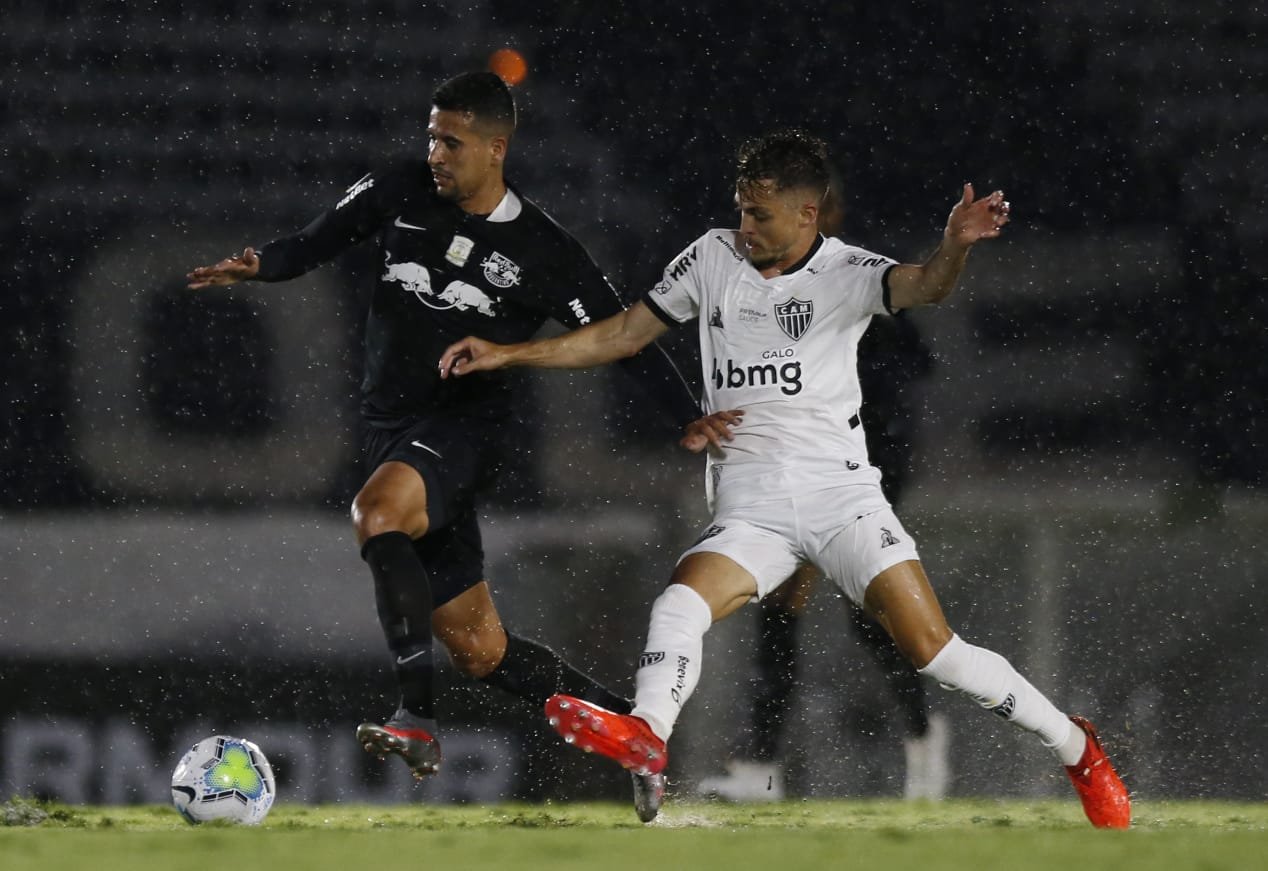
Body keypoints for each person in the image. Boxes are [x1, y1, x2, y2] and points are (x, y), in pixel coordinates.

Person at [438, 129, 1131, 828]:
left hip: (843, 497)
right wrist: (508, 354)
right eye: (741, 210)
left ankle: (1077, 747)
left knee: (933, 651)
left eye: (760, 216)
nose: (745, 227)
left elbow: (925, 285)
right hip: (753, 507)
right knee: (680, 602)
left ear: (807, 213)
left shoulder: (848, 271)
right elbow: (621, 334)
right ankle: (646, 732)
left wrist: (954, 244)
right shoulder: (709, 258)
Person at [186, 71, 702, 820]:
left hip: (462, 432)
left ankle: (416, 719)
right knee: (481, 649)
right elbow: (314, 242)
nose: (435, 152)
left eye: (451, 141)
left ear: (498, 147)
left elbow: (622, 336)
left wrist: (686, 416)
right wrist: (261, 264)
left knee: (377, 514)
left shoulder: (542, 249)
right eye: (431, 136)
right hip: (390, 430)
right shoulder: (401, 188)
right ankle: (636, 733)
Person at [698, 167, 945, 803]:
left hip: (861, 466)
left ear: (821, 216)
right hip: (796, 466)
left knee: (869, 615)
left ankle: (922, 740)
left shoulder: (856, 277)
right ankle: (760, 768)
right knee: (779, 606)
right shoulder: (762, 282)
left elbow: (910, 368)